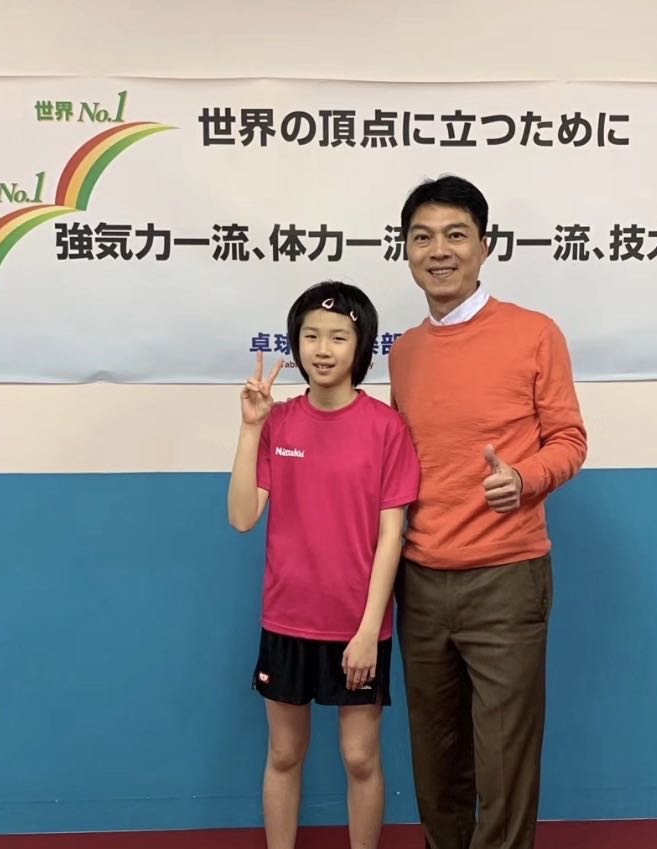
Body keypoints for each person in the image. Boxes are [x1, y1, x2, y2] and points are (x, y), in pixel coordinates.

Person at [389, 176, 588, 849]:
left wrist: (525, 479)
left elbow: (569, 439)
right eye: (422, 238)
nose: (438, 251)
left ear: (484, 245)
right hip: (419, 580)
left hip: (505, 578)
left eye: (455, 235)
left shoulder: (534, 333)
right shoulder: (404, 351)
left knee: (504, 765)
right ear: (406, 251)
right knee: (435, 762)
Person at [228, 280, 420, 849]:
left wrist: (368, 632)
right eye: (311, 335)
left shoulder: (386, 428)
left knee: (360, 757)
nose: (323, 348)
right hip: (287, 620)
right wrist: (251, 428)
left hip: (358, 627)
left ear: (361, 348)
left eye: (338, 337)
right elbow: (242, 517)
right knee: (285, 753)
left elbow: (392, 536)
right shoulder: (280, 422)